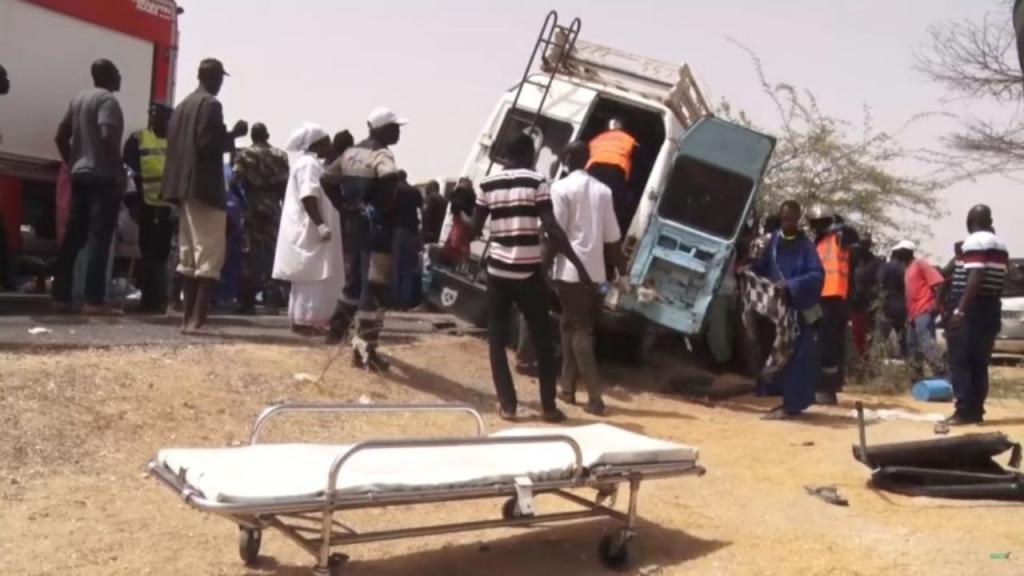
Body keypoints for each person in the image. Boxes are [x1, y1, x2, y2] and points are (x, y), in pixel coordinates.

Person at [470, 131, 592, 423]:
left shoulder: (487, 184)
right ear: (528, 154)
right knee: (541, 338)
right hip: (528, 273)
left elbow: (475, 228)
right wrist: (578, 264)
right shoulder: (537, 182)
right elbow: (551, 227)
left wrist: (464, 220)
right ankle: (548, 407)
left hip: (497, 272)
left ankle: (508, 405)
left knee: (496, 340)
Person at [162, 58, 247, 333]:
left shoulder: (181, 106)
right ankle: (198, 319)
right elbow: (208, 143)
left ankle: (187, 318)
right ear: (213, 78)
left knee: (187, 255)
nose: (220, 84)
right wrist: (233, 135)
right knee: (209, 255)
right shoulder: (211, 105)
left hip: (182, 189)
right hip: (205, 188)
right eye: (220, 79)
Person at [326, 108, 407, 370]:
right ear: (382, 129)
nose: (398, 132)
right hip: (377, 229)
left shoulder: (349, 154)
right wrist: (384, 205)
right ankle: (365, 349)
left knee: (353, 283)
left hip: (353, 226)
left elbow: (327, 178)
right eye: (395, 127)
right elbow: (389, 177)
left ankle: (336, 332)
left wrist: (343, 206)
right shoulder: (382, 154)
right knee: (375, 286)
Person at [550, 141, 624, 416]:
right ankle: (567, 388)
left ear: (567, 159)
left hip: (569, 273)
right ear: (588, 159)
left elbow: (555, 234)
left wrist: (542, 267)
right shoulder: (603, 191)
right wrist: (623, 271)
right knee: (569, 325)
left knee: (578, 330)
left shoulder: (560, 188)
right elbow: (612, 239)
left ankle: (595, 398)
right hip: (596, 276)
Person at [51, 59, 126, 314]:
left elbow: (60, 136)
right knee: (99, 237)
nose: (120, 77)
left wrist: (72, 162)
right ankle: (94, 300)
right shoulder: (108, 101)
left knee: (74, 236)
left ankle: (60, 295)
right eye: (117, 72)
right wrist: (118, 170)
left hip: (80, 175)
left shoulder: (79, 99)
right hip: (102, 177)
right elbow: (107, 136)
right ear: (108, 76)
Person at [750, 201, 824, 420]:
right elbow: (764, 267)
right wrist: (750, 269)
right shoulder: (773, 242)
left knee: (797, 357)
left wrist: (792, 285)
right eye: (784, 219)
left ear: (798, 219)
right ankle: (775, 393)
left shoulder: (806, 247)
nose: (787, 223)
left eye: (791, 219)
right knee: (773, 352)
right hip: (775, 311)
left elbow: (817, 275)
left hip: (798, 311)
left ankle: (792, 405)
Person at [272, 123, 344, 333]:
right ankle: (308, 322)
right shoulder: (309, 165)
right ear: (316, 144)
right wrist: (320, 224)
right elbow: (308, 195)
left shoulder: (308, 163)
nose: (330, 146)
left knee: (309, 278)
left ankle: (303, 321)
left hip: (311, 228)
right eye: (326, 142)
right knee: (315, 277)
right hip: (311, 229)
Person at [945, 205, 1008, 425]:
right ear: (990, 222)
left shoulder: (974, 241)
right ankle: (976, 410)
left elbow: (975, 277)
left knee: (960, 361)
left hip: (971, 308)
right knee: (979, 363)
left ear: (969, 221)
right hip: (990, 307)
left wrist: (960, 310)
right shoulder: (1000, 245)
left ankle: (964, 411)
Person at [232, 122, 290, 314]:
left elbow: (233, 181)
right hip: (272, 206)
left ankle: (247, 302)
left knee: (248, 253)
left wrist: (243, 198)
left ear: (252, 137)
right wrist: (277, 200)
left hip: (251, 205)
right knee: (273, 253)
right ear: (267, 135)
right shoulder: (281, 155)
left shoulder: (244, 155)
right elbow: (286, 184)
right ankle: (271, 301)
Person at [123, 102, 173, 313]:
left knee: (162, 253)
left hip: (168, 207)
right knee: (148, 251)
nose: (154, 118)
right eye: (152, 114)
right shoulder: (138, 140)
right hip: (146, 204)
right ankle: (151, 297)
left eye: (159, 115)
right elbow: (128, 173)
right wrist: (132, 202)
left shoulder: (175, 143)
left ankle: (158, 298)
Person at [807, 206, 857, 405]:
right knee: (817, 341)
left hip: (834, 298)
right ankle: (820, 385)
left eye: (821, 222)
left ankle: (827, 389)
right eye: (815, 223)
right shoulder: (816, 243)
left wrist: (839, 226)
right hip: (817, 298)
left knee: (829, 344)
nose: (817, 226)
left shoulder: (839, 237)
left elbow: (852, 235)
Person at [890, 241, 946, 382]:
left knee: (926, 342)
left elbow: (940, 282)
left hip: (924, 309)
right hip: (913, 313)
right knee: (912, 345)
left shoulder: (920, 264)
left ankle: (941, 372)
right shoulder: (907, 269)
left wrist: (936, 305)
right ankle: (916, 376)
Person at [586, 118, 638, 233]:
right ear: (622, 128)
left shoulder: (598, 138)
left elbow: (588, 148)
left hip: (593, 168)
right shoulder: (628, 139)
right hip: (616, 170)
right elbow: (638, 155)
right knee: (610, 204)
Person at [392, 170, 423, 310]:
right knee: (408, 267)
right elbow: (422, 212)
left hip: (397, 230)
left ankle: (395, 301)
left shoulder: (395, 190)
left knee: (396, 267)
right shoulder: (415, 191)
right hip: (412, 232)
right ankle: (406, 301)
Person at [850, 233, 882, 359]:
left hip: (867, 302)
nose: (864, 246)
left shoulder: (875, 262)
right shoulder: (852, 258)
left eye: (866, 243)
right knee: (855, 332)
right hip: (853, 300)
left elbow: (878, 282)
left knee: (867, 332)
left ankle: (866, 357)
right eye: (862, 243)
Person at [877, 246, 909, 358]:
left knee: (882, 332)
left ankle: (884, 356)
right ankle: (905, 356)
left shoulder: (886, 266)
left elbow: (879, 281)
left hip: (888, 303)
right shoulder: (904, 268)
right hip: (902, 303)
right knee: (902, 333)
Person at [421, 180, 447, 245]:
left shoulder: (429, 198)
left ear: (432, 188)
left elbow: (425, 214)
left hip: (430, 232)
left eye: (427, 188)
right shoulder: (445, 200)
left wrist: (426, 231)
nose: (426, 190)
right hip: (440, 232)